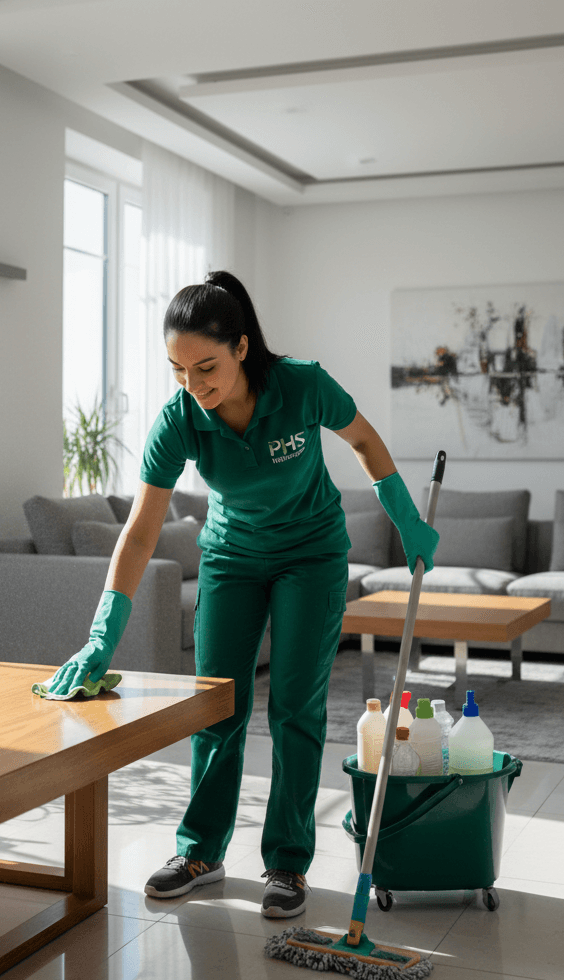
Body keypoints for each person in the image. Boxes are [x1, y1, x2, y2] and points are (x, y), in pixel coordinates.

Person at [45, 270, 438, 919]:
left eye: (206, 368)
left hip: (311, 555)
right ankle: (200, 852)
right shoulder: (179, 420)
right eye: (178, 370)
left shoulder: (302, 385)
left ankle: (287, 862)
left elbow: (363, 440)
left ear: (242, 348)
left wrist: (405, 516)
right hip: (231, 556)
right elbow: (140, 532)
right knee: (216, 706)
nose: (193, 385)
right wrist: (101, 634)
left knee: (294, 709)